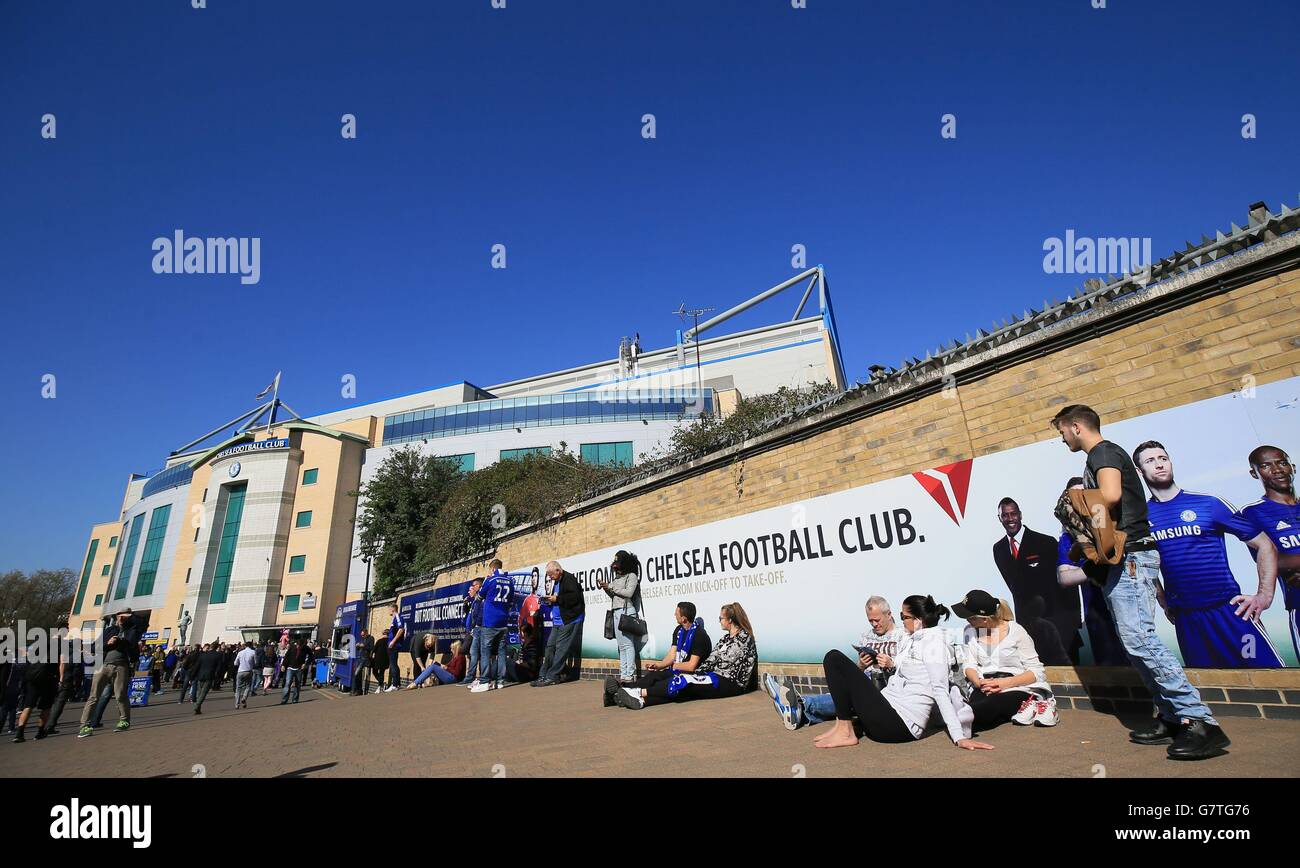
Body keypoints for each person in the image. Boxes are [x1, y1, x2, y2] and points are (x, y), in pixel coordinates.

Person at [1052, 403, 1227, 759]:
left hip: (1132, 556)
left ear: (1075, 426)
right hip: (1122, 559)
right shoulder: (1098, 456)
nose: (1062, 438)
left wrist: (1075, 504)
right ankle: (1172, 716)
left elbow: (1111, 496)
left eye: (1061, 431)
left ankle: (1200, 721)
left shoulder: (1103, 452)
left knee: (1141, 640)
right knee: (1135, 642)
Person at [1133, 440, 1282, 667]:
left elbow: (1265, 545)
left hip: (1232, 615)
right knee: (1212, 688)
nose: (1160, 465)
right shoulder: (1141, 519)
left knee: (1268, 676)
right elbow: (1145, 565)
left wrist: (1264, 596)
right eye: (1150, 461)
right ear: (1139, 471)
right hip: (1188, 622)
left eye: (1163, 459)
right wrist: (1164, 602)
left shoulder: (1209, 504)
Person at [810, 594, 990, 751]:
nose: (901, 620)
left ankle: (845, 729)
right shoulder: (912, 639)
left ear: (918, 620)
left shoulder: (934, 644)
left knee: (834, 658)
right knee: (836, 662)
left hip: (900, 725)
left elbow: (940, 690)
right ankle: (842, 725)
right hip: (888, 709)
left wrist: (959, 737)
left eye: (904, 616)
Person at [763, 595, 905, 730]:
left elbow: (909, 670)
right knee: (846, 686)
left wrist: (891, 664)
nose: (874, 624)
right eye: (870, 621)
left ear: (889, 614)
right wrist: (861, 665)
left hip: (886, 684)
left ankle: (801, 705)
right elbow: (858, 671)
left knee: (849, 692)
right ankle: (801, 713)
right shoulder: (867, 636)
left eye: (877, 620)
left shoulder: (902, 636)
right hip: (865, 682)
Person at [609, 602, 756, 710]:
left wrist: (696, 673)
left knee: (681, 680)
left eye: (721, 618)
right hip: (714, 676)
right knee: (682, 691)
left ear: (730, 620)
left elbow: (727, 662)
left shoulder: (744, 637)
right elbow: (712, 659)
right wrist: (699, 673)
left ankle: (637, 692)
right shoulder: (725, 639)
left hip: (730, 682)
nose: (720, 621)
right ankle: (640, 701)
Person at [992, 497, 1082, 664]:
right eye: (1005, 515)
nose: (1010, 519)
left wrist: (1073, 622)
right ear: (999, 518)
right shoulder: (999, 549)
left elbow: (1066, 583)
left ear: (1020, 515)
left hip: (1058, 626)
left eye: (1013, 514)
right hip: (1029, 631)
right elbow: (1016, 588)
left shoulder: (1045, 542)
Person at [953, 589, 1056, 729]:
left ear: (984, 619)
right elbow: (969, 664)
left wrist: (1004, 683)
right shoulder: (969, 631)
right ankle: (963, 715)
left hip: (1016, 686)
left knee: (990, 707)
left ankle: (961, 716)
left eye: (970, 617)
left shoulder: (1016, 631)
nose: (967, 620)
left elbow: (1036, 671)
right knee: (980, 706)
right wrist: (979, 682)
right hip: (985, 685)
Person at [1056, 477, 1128, 666]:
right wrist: (1094, 568)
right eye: (1074, 496)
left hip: (1128, 610)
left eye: (1084, 493)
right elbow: (1064, 577)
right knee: (1114, 673)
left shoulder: (1116, 523)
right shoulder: (1068, 538)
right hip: (1099, 617)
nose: (1081, 499)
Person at [1240, 445, 1300, 659]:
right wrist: (1284, 562)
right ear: (1254, 473)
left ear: (1292, 467)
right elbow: (1271, 561)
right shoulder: (1252, 513)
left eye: (1282, 463)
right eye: (1266, 465)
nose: (1277, 470)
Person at [604, 601, 711, 708]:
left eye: (676, 613)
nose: (674, 615)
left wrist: (673, 666)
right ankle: (620, 693)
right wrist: (658, 666)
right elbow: (671, 655)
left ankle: (620, 691)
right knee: (653, 676)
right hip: (677, 669)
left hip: (692, 676)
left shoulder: (699, 635)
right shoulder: (679, 631)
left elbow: (691, 666)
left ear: (684, 619)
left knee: (661, 684)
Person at [77, 608, 140, 738]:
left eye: (125, 616)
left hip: (121, 665)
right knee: (94, 696)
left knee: (120, 695)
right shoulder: (109, 630)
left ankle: (124, 720)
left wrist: (120, 640)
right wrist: (108, 643)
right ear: (116, 616)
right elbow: (94, 647)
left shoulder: (132, 630)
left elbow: (131, 644)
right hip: (103, 665)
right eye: (120, 615)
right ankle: (84, 725)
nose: (121, 618)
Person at [533, 560, 585, 687]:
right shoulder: (557, 581)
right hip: (557, 620)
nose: (550, 577)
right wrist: (550, 601)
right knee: (550, 646)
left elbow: (575, 598)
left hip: (569, 619)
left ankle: (552, 676)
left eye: (551, 574)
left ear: (558, 570)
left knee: (561, 648)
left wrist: (557, 599)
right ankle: (543, 675)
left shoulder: (569, 579)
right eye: (548, 575)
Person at [471, 559, 520, 693]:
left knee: (485, 652)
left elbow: (479, 596)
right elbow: (511, 602)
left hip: (490, 621)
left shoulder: (490, 580)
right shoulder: (510, 581)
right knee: (501, 652)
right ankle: (500, 681)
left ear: (492, 569)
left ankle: (485, 682)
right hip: (503, 621)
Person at [598, 550, 645, 685]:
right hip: (616, 612)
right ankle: (623, 674)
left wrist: (612, 588)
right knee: (621, 646)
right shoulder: (617, 578)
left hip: (627, 612)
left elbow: (629, 593)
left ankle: (629, 675)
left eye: (619, 564)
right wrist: (606, 588)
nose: (617, 569)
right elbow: (613, 596)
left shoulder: (632, 576)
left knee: (628, 645)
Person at [12, 647, 57, 742]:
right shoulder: (57, 648)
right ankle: (40, 732)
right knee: (46, 707)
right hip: (47, 678)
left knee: (28, 706)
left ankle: (19, 734)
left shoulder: (38, 647)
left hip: (32, 676)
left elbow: (29, 657)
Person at [460, 578, 484, 685]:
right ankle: (472, 676)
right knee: (471, 654)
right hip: (470, 630)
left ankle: (473, 676)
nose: (469, 591)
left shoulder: (479, 601)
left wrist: (474, 628)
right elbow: (467, 615)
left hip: (475, 631)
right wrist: (465, 604)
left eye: (471, 589)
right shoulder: (472, 602)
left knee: (471, 652)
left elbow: (478, 616)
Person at [192, 643, 224, 714]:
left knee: (199, 692)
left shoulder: (203, 655)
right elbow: (219, 667)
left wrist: (193, 675)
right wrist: (217, 676)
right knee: (204, 692)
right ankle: (197, 706)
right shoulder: (218, 655)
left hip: (200, 674)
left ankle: (198, 708)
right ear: (216, 648)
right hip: (210, 675)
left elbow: (197, 666)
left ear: (210, 647)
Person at [384, 604, 407, 691]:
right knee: (393, 664)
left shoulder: (397, 616)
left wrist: (393, 641)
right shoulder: (394, 619)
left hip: (394, 645)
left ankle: (394, 685)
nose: (388, 611)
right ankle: (397, 684)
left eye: (389, 609)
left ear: (393, 609)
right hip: (391, 645)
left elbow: (401, 629)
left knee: (393, 664)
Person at [281, 638, 307, 704]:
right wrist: (283, 665)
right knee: (287, 684)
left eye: (300, 645)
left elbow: (305, 658)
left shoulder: (304, 650)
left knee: (298, 685)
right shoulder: (292, 648)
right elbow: (286, 657)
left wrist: (304, 664)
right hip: (290, 668)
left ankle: (295, 699)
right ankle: (284, 700)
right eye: (298, 645)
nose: (299, 646)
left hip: (299, 669)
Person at [235, 641, 258, 709]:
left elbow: (235, 663)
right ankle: (244, 697)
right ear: (251, 646)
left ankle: (237, 704)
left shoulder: (240, 652)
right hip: (248, 671)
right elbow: (256, 662)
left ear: (245, 646)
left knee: (238, 688)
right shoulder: (253, 652)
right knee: (248, 686)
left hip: (240, 671)